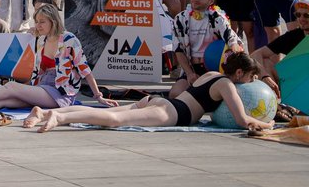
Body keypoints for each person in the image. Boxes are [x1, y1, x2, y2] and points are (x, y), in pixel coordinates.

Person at [33, 52, 274, 133]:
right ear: (240, 73)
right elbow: (242, 120)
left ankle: (45, 112)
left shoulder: (212, 74)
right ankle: (60, 117)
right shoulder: (227, 85)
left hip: (161, 101)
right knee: (114, 120)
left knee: (104, 112)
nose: (250, 84)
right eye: (251, 78)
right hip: (171, 112)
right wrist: (268, 124)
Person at [0, 3, 113, 115]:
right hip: (43, 87)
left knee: (10, 86)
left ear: (53, 21)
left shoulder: (69, 40)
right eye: (37, 22)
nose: (38, 25)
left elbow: (85, 70)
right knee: (10, 100)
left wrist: (98, 96)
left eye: (42, 22)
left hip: (60, 93)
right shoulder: (42, 40)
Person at [170, 0, 242, 99]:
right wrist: (189, 74)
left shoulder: (217, 18)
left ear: (211, 1)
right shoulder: (180, 19)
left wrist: (234, 53)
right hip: (192, 68)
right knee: (175, 94)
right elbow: (179, 50)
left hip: (214, 68)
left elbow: (232, 39)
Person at [253, 0, 309, 94]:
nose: (301, 18)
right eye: (298, 15)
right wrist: (265, 76)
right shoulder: (293, 35)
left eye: (306, 15)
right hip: (295, 79)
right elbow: (255, 55)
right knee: (265, 62)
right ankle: (275, 100)